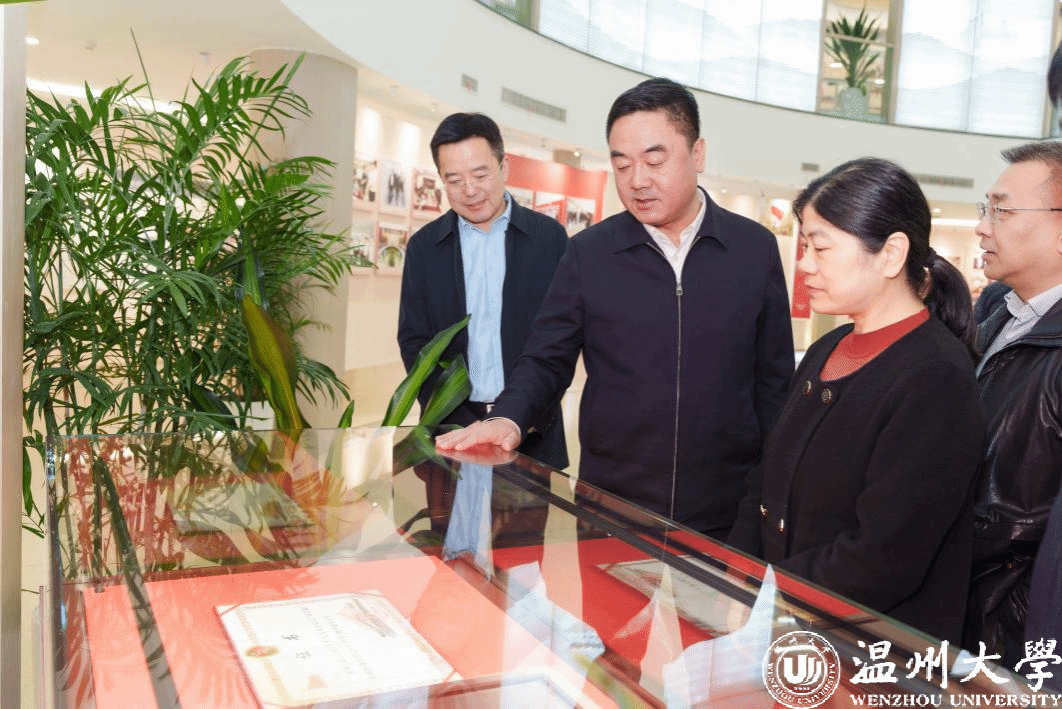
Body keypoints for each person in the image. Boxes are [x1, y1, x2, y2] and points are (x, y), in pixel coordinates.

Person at [437, 78, 794, 537]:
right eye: (622, 164)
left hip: (726, 510)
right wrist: (508, 417)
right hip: (611, 507)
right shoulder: (590, 253)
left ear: (698, 154)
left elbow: (773, 383)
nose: (637, 181)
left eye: (655, 161)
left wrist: (770, 490)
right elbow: (546, 357)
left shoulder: (754, 249)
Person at [728, 157, 985, 644]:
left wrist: (769, 592)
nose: (804, 264)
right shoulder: (827, 347)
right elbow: (764, 480)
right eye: (805, 246)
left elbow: (883, 557)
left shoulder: (935, 377)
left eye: (820, 248)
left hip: (865, 649)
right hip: (786, 624)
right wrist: (736, 575)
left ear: (891, 255)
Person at [398, 112, 569, 468]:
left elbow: (560, 342)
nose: (470, 190)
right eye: (454, 180)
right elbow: (416, 343)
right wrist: (460, 422)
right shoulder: (425, 247)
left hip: (531, 430)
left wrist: (517, 417)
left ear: (503, 167)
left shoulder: (548, 239)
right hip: (451, 434)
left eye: (480, 175)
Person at [965, 141, 1062, 666]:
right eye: (986, 208)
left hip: (1012, 636)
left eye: (1001, 211)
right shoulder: (999, 312)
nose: (983, 227)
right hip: (961, 607)